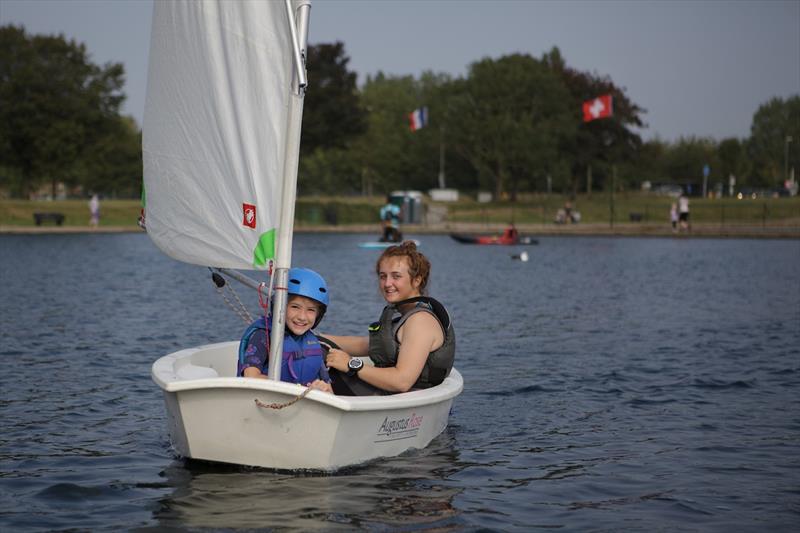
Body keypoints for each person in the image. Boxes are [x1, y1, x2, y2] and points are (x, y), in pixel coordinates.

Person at [323, 241, 455, 395]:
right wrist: (315, 337)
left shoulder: (420, 321)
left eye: (396, 276)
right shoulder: (404, 315)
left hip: (406, 399)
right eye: (383, 276)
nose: (387, 283)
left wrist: (351, 364)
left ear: (417, 280)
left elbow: (402, 381)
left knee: (320, 372)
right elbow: (364, 345)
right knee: (316, 351)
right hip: (386, 394)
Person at [238, 268, 333, 393]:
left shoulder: (311, 342)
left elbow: (329, 389)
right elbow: (251, 378)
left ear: (318, 315)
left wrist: (324, 389)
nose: (302, 317)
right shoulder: (262, 336)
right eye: (295, 307)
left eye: (311, 310)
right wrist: (300, 389)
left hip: (304, 404)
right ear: (279, 306)